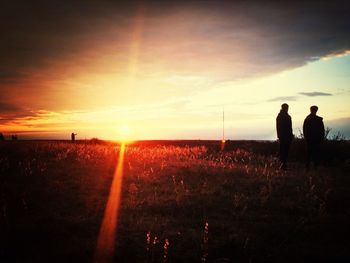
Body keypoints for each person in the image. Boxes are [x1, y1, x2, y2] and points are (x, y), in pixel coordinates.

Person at [276, 103, 293, 170]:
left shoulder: (280, 116)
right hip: (285, 136)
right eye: (287, 107)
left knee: (284, 150)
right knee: (284, 150)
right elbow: (287, 127)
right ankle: (283, 164)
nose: (287, 109)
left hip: (284, 136)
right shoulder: (284, 116)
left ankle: (283, 164)